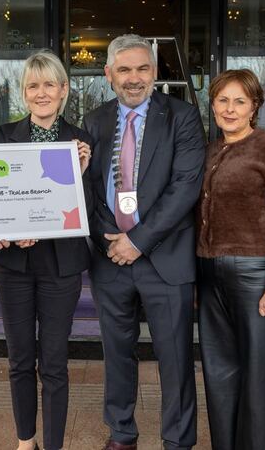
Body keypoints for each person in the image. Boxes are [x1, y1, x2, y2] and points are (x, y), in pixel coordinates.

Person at [83, 34, 205, 450]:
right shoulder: (94, 120)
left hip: (165, 260)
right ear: (108, 74)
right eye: (124, 70)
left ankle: (178, 440)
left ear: (154, 71)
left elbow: (186, 187)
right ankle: (121, 434)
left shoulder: (183, 117)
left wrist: (137, 240)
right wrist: (109, 241)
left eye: (142, 69)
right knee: (117, 355)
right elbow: (89, 188)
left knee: (175, 359)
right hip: (110, 261)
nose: (133, 79)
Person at [0, 50, 92, 450]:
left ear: (63, 90)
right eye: (32, 86)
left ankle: (54, 444)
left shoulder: (81, 142)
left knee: (55, 363)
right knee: (20, 359)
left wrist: (79, 175)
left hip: (61, 267)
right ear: (23, 93)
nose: (40, 93)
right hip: (15, 264)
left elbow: (90, 209)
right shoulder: (2, 136)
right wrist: (11, 229)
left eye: (48, 84)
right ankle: (26, 441)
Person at [196, 69, 265, 450]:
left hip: (255, 276)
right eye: (222, 100)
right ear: (212, 104)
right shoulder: (209, 150)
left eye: (240, 100)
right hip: (210, 275)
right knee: (219, 376)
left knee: (258, 379)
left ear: (255, 105)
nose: (230, 108)